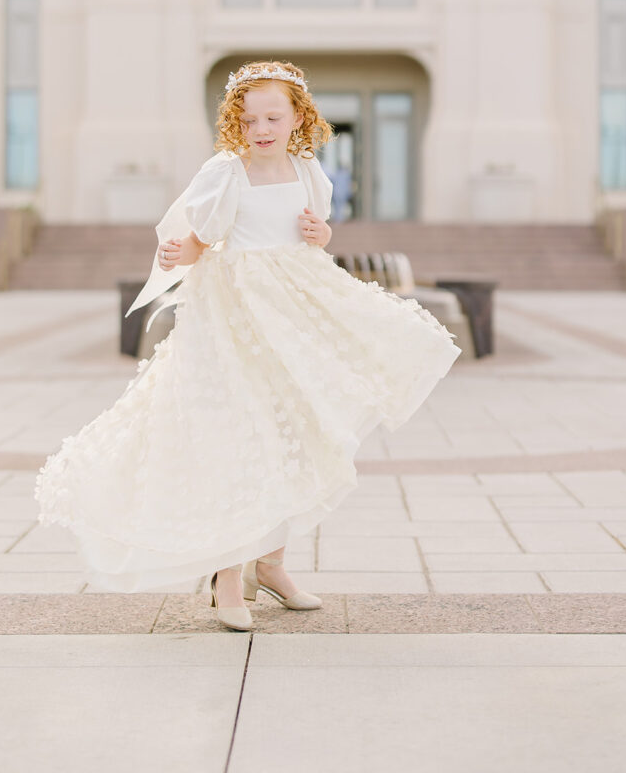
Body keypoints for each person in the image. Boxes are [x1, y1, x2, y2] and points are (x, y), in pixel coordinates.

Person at [34, 60, 462, 631]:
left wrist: (323, 235)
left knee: (295, 436)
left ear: (297, 118)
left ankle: (273, 566)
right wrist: (177, 253)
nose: (262, 128)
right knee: (241, 439)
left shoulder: (308, 171)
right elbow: (202, 240)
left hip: (294, 318)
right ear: (237, 122)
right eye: (250, 117)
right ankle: (228, 578)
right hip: (235, 320)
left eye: (273, 117)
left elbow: (314, 235)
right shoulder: (226, 174)